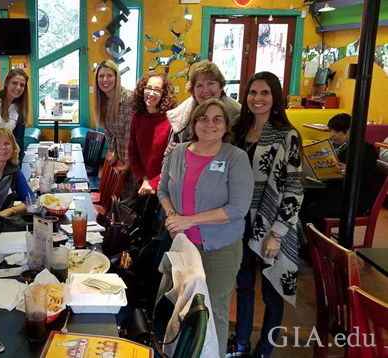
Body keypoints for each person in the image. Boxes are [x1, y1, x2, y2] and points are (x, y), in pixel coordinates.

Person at [158, 99, 254, 358]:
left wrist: (188, 221)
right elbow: (163, 189)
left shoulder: (236, 158)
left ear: (226, 126)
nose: (209, 124)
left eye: (217, 119)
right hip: (182, 247)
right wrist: (171, 215)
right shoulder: (178, 152)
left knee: (213, 312)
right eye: (203, 118)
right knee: (181, 306)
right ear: (194, 123)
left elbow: (237, 209)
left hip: (218, 250)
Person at [227, 72, 304, 358]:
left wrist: (277, 233)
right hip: (240, 222)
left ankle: (266, 349)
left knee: (272, 295)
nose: (257, 99)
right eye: (253, 93)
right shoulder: (238, 130)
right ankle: (242, 341)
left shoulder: (287, 135)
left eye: (265, 93)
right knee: (244, 286)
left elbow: (295, 189)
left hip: (273, 224)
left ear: (275, 98)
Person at [299, 113, 378, 233]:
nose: (332, 135)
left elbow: (369, 179)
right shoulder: (330, 145)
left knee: (313, 210)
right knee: (299, 201)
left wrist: (350, 171)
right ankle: (301, 242)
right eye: (331, 130)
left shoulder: (365, 149)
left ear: (349, 131)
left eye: (336, 131)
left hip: (351, 199)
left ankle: (317, 246)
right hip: (331, 192)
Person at [165, 61, 241, 146]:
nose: (205, 90)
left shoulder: (238, 116)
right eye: (199, 86)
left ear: (220, 86)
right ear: (193, 90)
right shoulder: (179, 117)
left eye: (211, 83)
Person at [128, 71, 177, 200]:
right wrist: (144, 179)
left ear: (163, 94)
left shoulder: (172, 120)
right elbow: (133, 152)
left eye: (157, 90)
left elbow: (174, 160)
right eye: (148, 88)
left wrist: (153, 183)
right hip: (142, 184)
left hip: (165, 187)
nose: (151, 93)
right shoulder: (137, 117)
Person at [93, 60, 136, 202]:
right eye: (101, 76)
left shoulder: (128, 99)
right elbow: (109, 132)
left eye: (109, 75)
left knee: (129, 206)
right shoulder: (103, 100)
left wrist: (128, 164)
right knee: (119, 203)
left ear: (116, 77)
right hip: (121, 157)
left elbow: (131, 136)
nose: (105, 80)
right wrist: (114, 153)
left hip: (133, 160)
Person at [0, 126, 34, 217]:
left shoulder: (14, 170)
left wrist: (11, 210)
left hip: (3, 222)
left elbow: (31, 200)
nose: (3, 147)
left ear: (13, 147)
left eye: (7, 143)